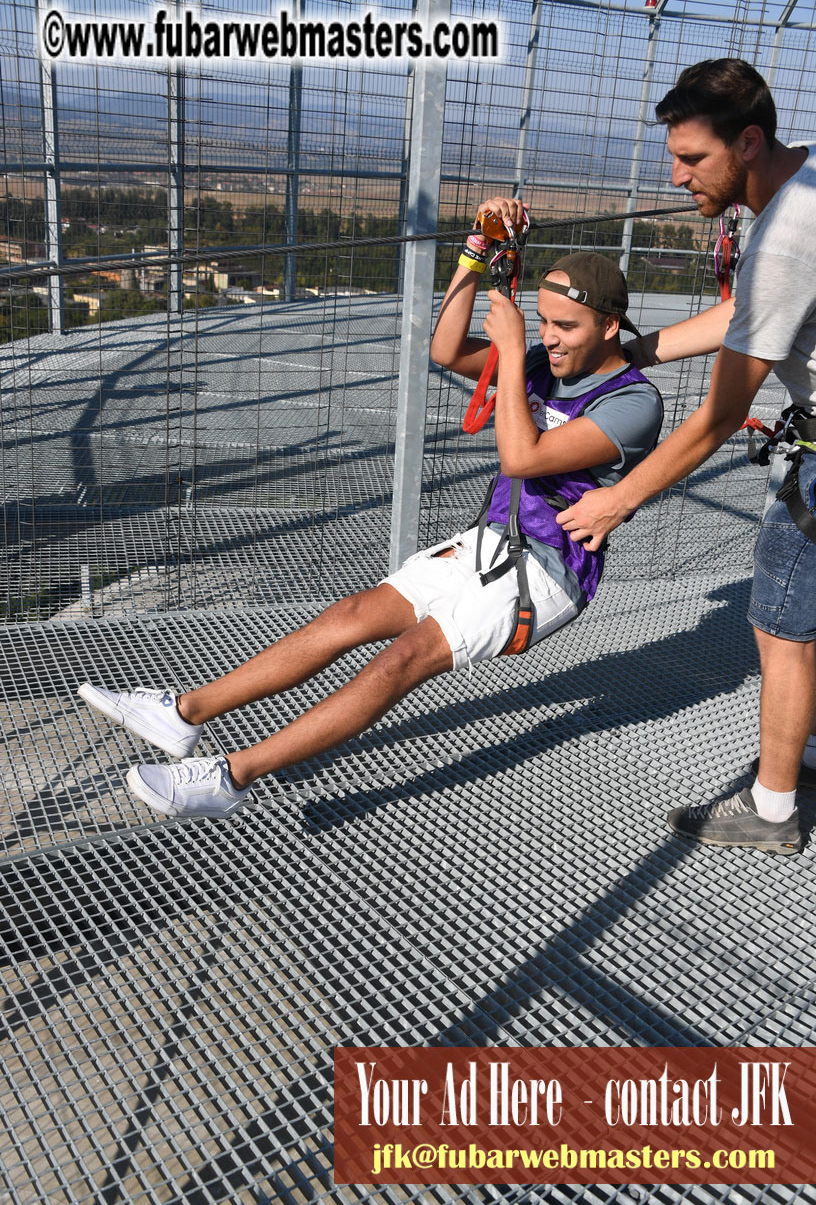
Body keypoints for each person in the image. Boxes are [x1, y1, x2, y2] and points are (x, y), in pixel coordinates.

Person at [78, 197, 662, 819]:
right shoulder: (547, 357)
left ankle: (229, 778)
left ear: (607, 326)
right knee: (353, 613)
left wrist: (515, 354)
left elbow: (522, 457)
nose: (549, 337)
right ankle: (183, 714)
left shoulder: (633, 404)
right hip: (493, 538)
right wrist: (475, 253)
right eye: (542, 322)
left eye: (564, 328)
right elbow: (444, 350)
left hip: (548, 572)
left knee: (402, 658)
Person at [556, 58, 816, 855]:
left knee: (783, 629)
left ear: (748, 140)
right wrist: (636, 352)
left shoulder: (781, 240)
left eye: (694, 159)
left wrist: (618, 498)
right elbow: (745, 313)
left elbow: (719, 418)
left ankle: (774, 807)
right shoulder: (806, 175)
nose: (677, 177)